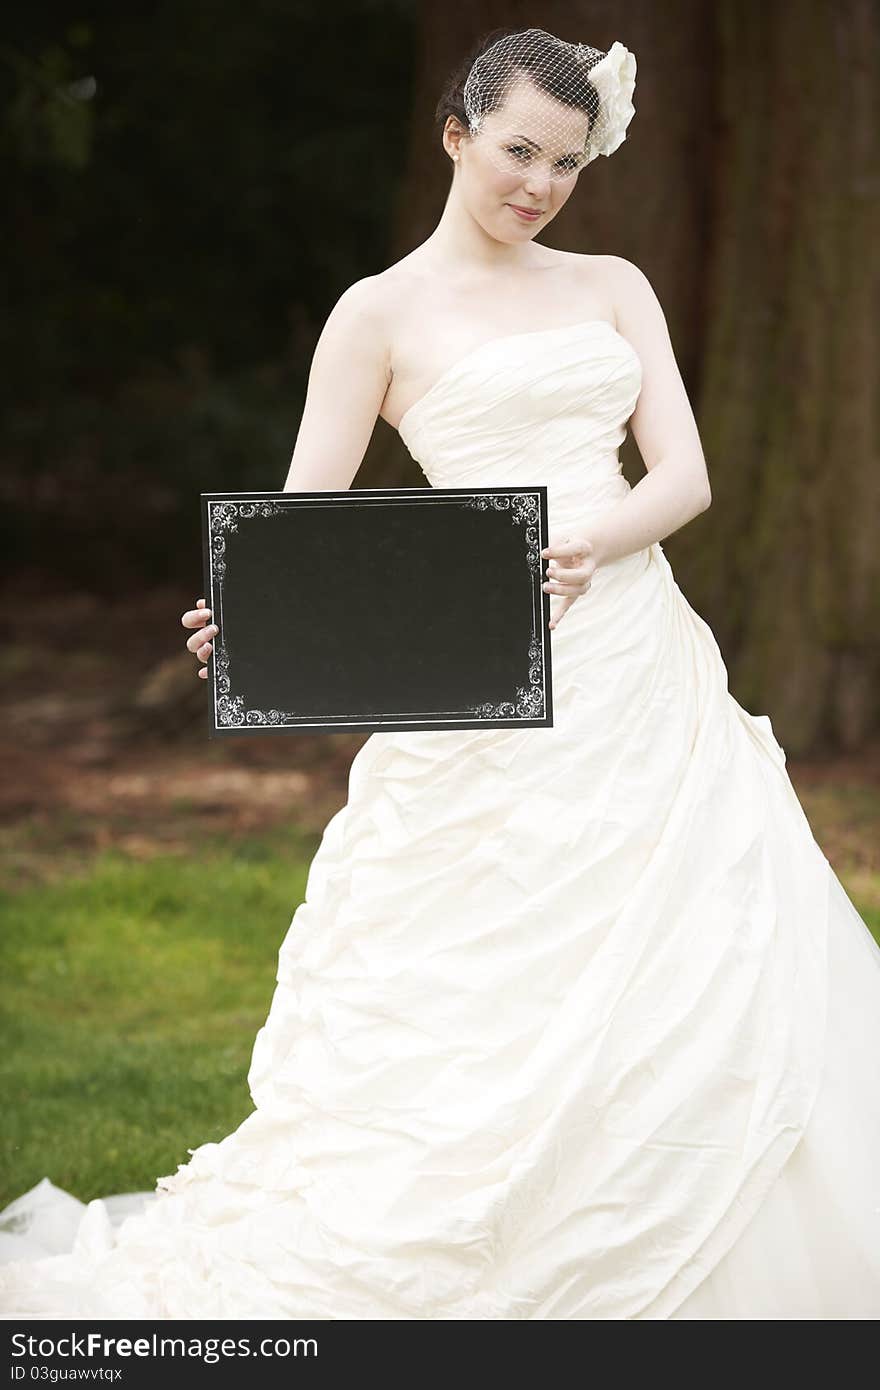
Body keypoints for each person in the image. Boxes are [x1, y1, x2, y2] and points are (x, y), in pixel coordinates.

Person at [2, 25, 879, 1321]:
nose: (540, 183)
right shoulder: (379, 313)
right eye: (520, 149)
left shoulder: (617, 284)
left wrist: (588, 540)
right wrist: (249, 618)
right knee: (472, 979)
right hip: (472, 679)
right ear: (458, 134)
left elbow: (685, 476)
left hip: (638, 659)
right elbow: (309, 523)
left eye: (568, 163)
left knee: (700, 954)